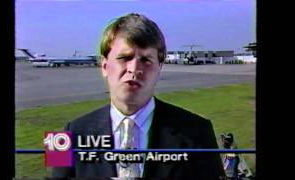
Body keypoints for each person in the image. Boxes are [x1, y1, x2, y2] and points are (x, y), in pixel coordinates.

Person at [52, 13, 225, 179]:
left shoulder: (199, 131)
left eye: (146, 60)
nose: (134, 69)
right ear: (104, 67)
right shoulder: (65, 136)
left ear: (159, 69)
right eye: (124, 57)